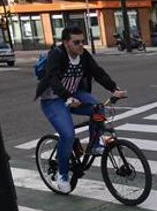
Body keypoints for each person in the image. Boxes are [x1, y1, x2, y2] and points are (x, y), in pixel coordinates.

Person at [35, 26, 126, 192]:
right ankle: (63, 175)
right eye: (76, 42)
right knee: (68, 135)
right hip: (53, 99)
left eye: (82, 41)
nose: (80, 45)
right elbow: (53, 79)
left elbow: (97, 72)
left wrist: (114, 89)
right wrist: (67, 97)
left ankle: (96, 143)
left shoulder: (83, 55)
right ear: (66, 43)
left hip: (75, 94)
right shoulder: (57, 55)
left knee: (98, 108)